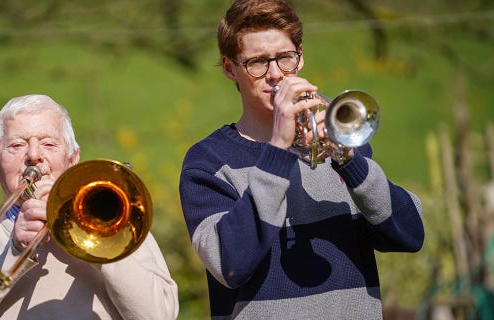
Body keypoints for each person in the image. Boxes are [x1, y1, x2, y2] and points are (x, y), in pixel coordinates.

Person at [178, 0, 425, 319]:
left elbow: (409, 233)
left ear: (301, 57)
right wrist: (279, 151)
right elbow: (230, 265)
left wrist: (348, 159)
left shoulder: (339, 141)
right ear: (230, 68)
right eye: (257, 63)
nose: (275, 75)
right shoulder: (208, 162)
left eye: (284, 58)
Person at [0, 94, 179, 319]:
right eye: (16, 145)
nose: (34, 155)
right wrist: (13, 254)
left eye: (49, 144)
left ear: (73, 160)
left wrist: (102, 243)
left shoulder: (120, 226)